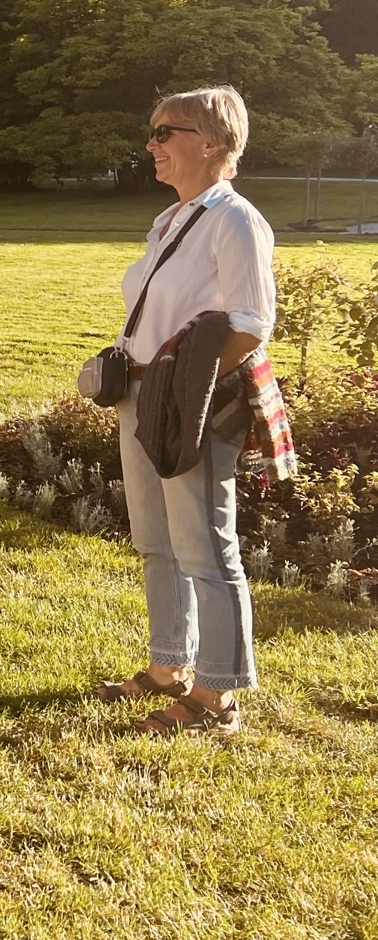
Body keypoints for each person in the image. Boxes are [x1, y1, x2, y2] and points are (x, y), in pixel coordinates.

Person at [93, 87, 273, 736]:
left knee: (204, 546)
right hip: (143, 396)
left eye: (167, 133)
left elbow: (252, 323)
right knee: (158, 544)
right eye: (153, 132)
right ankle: (169, 666)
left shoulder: (233, 219)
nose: (153, 145)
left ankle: (217, 697)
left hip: (190, 402)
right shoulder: (174, 220)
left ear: (213, 144)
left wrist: (185, 386)